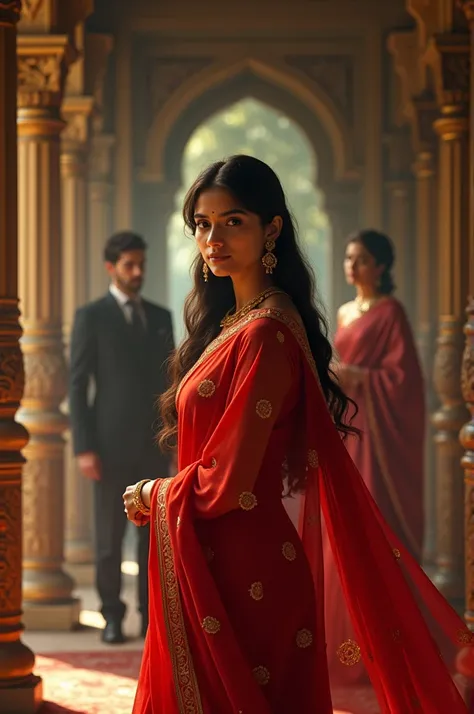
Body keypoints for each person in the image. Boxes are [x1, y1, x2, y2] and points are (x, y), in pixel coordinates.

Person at [123, 156, 471, 714]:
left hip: (245, 570)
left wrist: (150, 493)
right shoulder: (235, 322)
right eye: (203, 224)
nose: (213, 238)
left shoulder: (264, 332)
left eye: (233, 221)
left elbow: (232, 480)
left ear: (273, 228)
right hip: (216, 556)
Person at [324, 229, 426, 685]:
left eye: (362, 259)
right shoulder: (345, 313)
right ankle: (347, 642)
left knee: (374, 525)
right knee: (338, 528)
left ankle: (389, 642)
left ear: (381, 267)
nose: (353, 266)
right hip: (345, 430)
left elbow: (402, 381)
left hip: (377, 438)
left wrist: (357, 376)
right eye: (350, 258)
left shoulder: (391, 314)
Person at [69, 231, 174, 644]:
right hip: (107, 448)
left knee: (152, 538)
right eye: (129, 265)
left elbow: (170, 383)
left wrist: (171, 442)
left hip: (152, 445)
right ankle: (111, 615)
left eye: (142, 264)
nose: (138, 272)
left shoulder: (161, 316)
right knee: (109, 538)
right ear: (110, 267)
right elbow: (78, 385)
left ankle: (152, 619)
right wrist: (84, 446)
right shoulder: (91, 317)